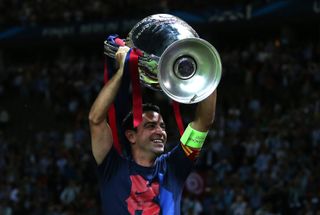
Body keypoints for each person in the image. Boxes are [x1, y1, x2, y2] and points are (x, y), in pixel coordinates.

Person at [88, 46, 218, 215]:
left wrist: (204, 70)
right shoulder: (111, 166)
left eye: (162, 126)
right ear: (131, 136)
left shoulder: (175, 165)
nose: (160, 132)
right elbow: (95, 119)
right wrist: (122, 71)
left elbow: (203, 121)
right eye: (151, 126)